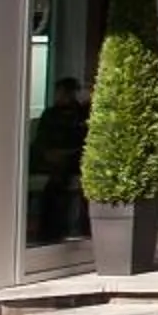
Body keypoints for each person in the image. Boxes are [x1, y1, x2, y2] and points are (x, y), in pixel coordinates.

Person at [29, 77, 89, 243]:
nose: (61, 96)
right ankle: (43, 227)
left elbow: (83, 140)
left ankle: (51, 230)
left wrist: (66, 153)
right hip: (49, 157)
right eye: (60, 93)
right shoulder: (50, 114)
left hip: (72, 159)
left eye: (65, 93)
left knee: (59, 176)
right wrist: (48, 152)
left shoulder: (81, 115)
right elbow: (41, 139)